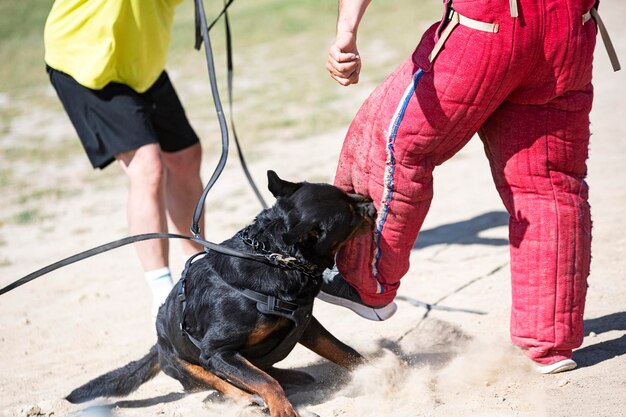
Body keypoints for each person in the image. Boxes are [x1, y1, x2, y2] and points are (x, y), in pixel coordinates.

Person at [319, 0, 608, 374]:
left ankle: (365, 282)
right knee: (549, 183)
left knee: (391, 144)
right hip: (570, 30)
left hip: (488, 28)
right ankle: (549, 342)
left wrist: (345, 34)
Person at [44, 0, 204, 319]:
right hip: (86, 62)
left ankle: (198, 267)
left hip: (140, 64)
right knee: (148, 166)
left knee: (186, 156)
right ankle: (162, 294)